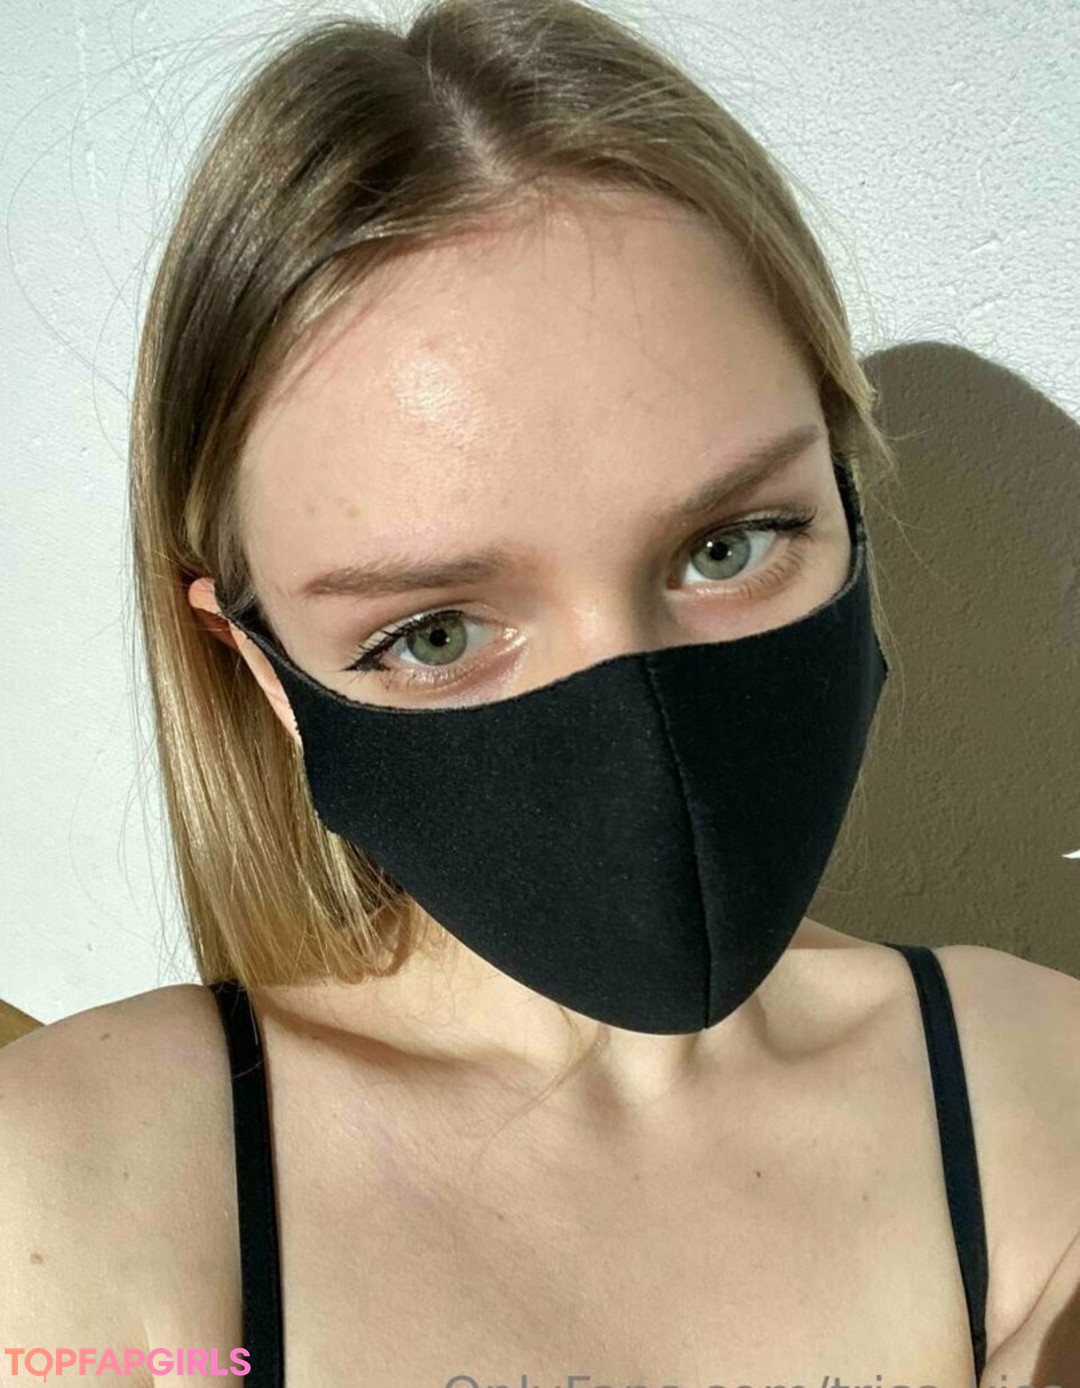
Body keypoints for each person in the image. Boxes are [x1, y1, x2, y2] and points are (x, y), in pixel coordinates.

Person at [2, 1, 1078, 1385]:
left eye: (728, 545)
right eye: (436, 632)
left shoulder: (1043, 1090)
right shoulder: (71, 1190)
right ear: (261, 671)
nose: (642, 746)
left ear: (846, 492)